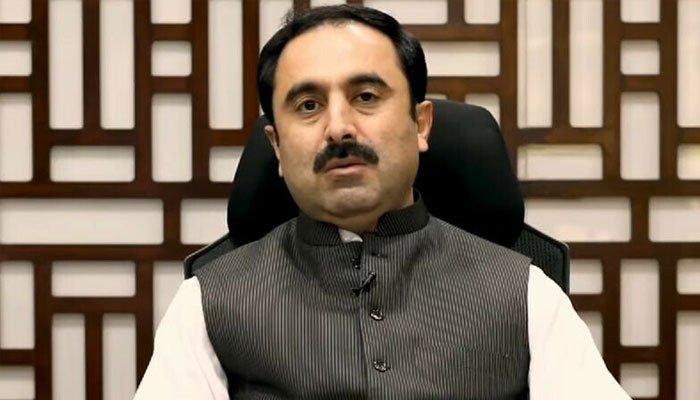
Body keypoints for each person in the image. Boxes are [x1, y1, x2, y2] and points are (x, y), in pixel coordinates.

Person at [134, 4, 631, 399]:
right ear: (277, 147)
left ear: (420, 124)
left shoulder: (525, 295)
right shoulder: (208, 304)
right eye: (308, 105)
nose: (339, 128)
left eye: (366, 97)